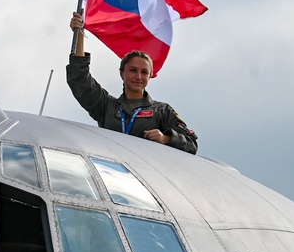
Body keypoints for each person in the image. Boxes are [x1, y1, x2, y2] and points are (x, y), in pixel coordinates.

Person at [66, 12, 198, 154]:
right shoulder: (105, 106)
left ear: (150, 76)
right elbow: (80, 79)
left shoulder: (162, 111)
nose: (138, 76)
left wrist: (165, 138)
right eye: (133, 70)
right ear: (121, 73)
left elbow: (191, 143)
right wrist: (79, 33)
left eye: (144, 72)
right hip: (109, 172)